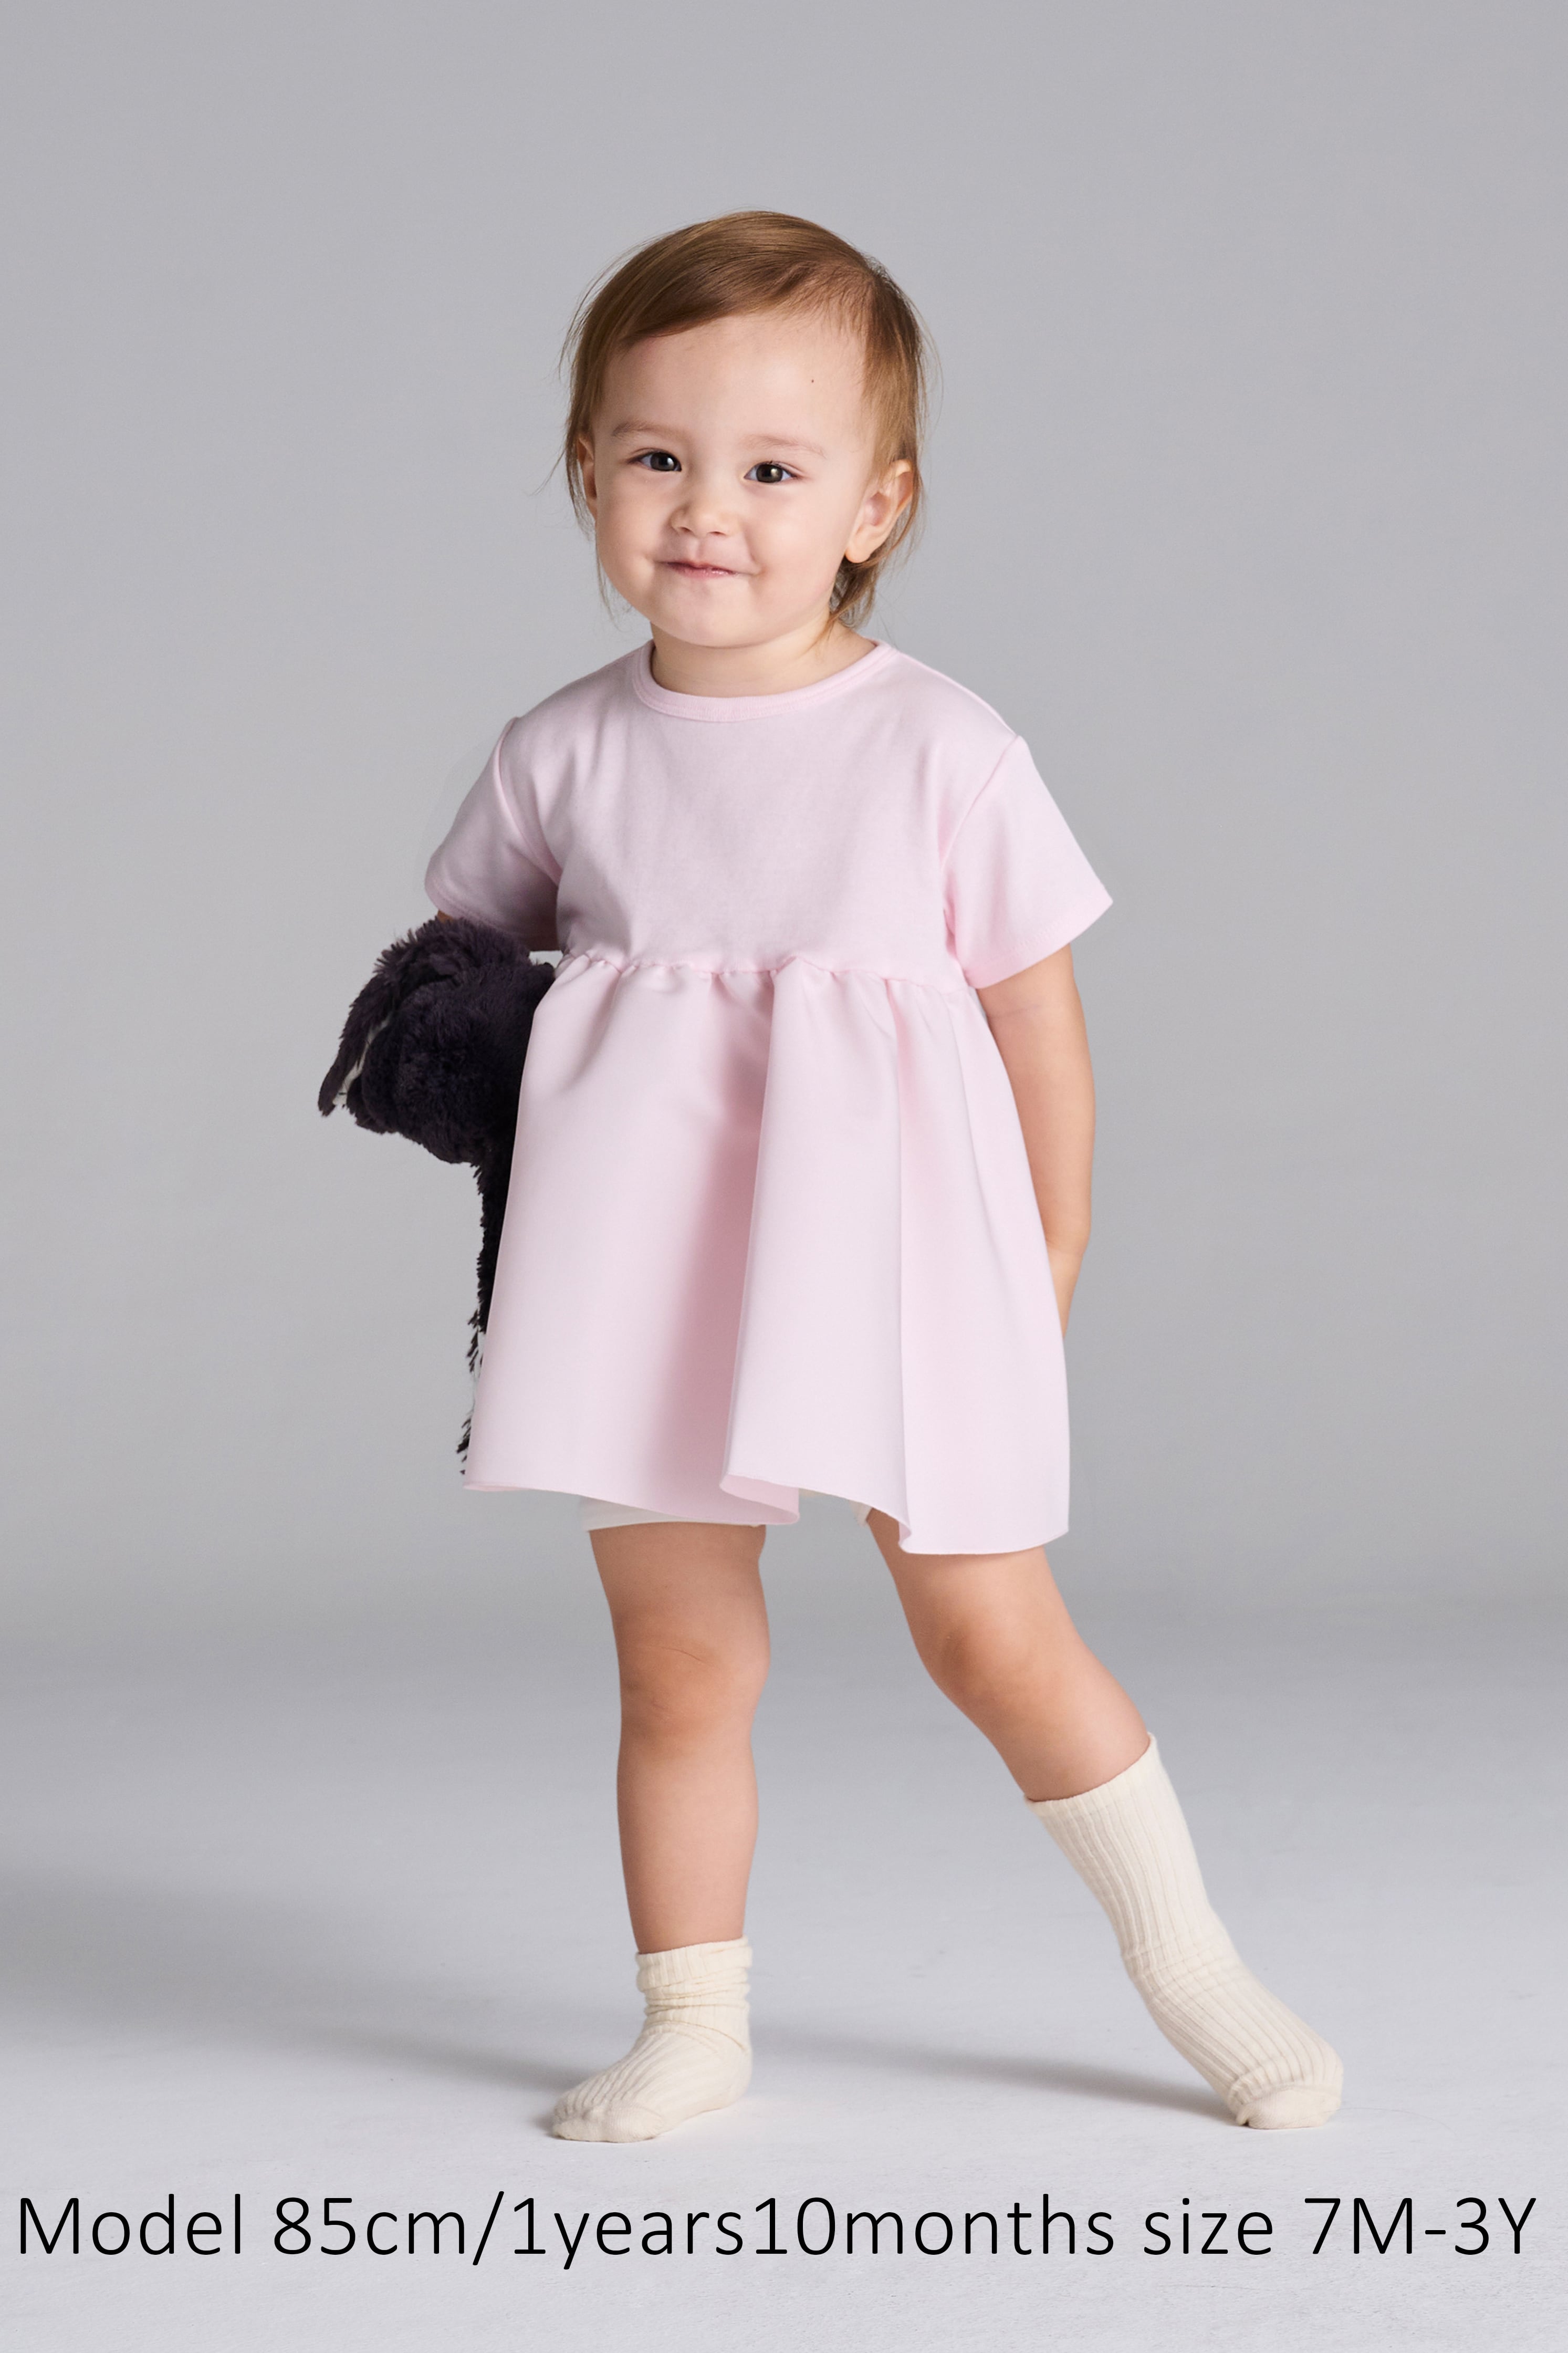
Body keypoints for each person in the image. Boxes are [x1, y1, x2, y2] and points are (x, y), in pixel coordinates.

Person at [422, 211, 1343, 2143]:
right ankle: (693, 2021)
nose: (706, 509)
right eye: (656, 455)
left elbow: (1034, 1017)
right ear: (586, 469)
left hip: (905, 1258)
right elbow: (470, 968)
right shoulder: (563, 752)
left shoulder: (940, 748)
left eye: (773, 470)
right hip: (656, 1275)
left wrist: (1052, 1242)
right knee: (681, 1663)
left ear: (874, 506)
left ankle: (1195, 1967)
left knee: (989, 1630)